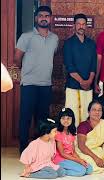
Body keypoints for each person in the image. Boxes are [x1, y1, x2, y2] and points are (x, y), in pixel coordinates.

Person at [14, 6, 59, 153]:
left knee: (43, 119)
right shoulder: (26, 37)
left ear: (50, 18)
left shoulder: (55, 38)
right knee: (25, 118)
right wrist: (27, 71)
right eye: (41, 16)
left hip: (46, 84)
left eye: (47, 16)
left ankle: (40, 150)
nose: (44, 18)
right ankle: (23, 150)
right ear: (36, 18)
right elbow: (17, 58)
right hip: (29, 84)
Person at [63, 13, 97, 127]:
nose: (81, 26)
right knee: (72, 115)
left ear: (86, 26)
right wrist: (82, 82)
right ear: (74, 25)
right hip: (73, 86)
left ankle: (84, 141)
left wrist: (89, 81)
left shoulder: (91, 44)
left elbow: (93, 65)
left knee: (86, 115)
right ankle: (71, 142)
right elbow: (69, 66)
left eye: (83, 24)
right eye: (78, 24)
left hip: (88, 86)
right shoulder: (68, 43)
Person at [53, 108, 93, 176]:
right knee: (81, 171)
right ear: (59, 120)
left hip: (70, 157)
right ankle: (60, 171)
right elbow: (62, 153)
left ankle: (70, 168)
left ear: (72, 119)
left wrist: (80, 160)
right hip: (60, 159)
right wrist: (77, 161)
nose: (66, 120)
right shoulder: (58, 133)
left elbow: (73, 152)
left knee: (89, 169)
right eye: (63, 118)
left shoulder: (71, 134)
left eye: (68, 118)